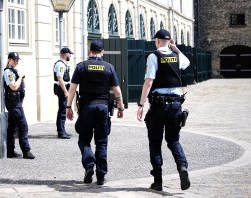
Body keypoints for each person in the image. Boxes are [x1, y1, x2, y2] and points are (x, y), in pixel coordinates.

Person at [137, 29, 190, 191]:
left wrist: (140, 105)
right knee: (173, 140)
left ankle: (158, 180)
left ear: (157, 41)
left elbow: (149, 82)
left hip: (159, 106)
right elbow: (186, 63)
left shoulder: (153, 56)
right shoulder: (177, 56)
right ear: (170, 41)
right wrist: (176, 48)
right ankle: (182, 167)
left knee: (155, 142)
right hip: (175, 105)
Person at [66, 40, 124, 185]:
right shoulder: (109, 67)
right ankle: (101, 176)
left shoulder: (81, 66)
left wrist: (68, 107)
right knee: (102, 142)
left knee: (84, 139)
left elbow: (72, 89)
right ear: (102, 52)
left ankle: (89, 165)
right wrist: (121, 107)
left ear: (90, 51)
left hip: (87, 108)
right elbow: (117, 91)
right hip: (103, 108)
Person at [3, 52, 35, 159]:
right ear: (10, 60)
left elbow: (22, 86)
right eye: (14, 59)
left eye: (17, 60)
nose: (16, 62)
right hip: (13, 103)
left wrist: (21, 77)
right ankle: (26, 151)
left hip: (17, 102)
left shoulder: (14, 71)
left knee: (12, 127)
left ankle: (10, 151)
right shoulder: (8, 72)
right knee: (23, 125)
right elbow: (13, 87)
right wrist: (20, 77)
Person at [53, 48, 74, 139]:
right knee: (62, 110)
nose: (70, 56)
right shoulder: (60, 64)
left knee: (63, 110)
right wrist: (65, 91)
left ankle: (62, 130)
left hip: (64, 88)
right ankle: (61, 132)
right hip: (62, 89)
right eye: (69, 54)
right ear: (65, 54)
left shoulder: (63, 64)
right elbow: (60, 78)